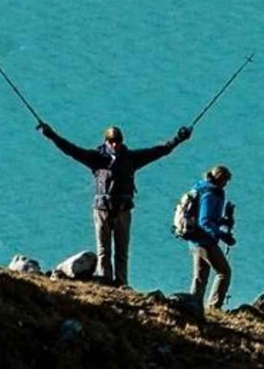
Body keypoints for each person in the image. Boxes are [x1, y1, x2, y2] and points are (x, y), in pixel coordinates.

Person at [37, 121, 191, 287]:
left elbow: (160, 151)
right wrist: (51, 135)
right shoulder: (96, 158)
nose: (115, 144)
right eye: (111, 141)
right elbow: (71, 150)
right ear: (106, 141)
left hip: (123, 210)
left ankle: (122, 283)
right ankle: (105, 282)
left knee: (121, 252)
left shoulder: (131, 158)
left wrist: (179, 138)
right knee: (104, 251)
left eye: (118, 141)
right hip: (102, 210)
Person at [188, 165, 235, 310]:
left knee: (200, 277)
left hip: (195, 239)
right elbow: (205, 221)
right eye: (225, 181)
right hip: (204, 241)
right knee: (224, 272)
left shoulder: (202, 188)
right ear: (220, 178)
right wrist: (222, 235)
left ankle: (193, 305)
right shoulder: (210, 193)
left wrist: (224, 220)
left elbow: (209, 218)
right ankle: (214, 306)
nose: (226, 185)